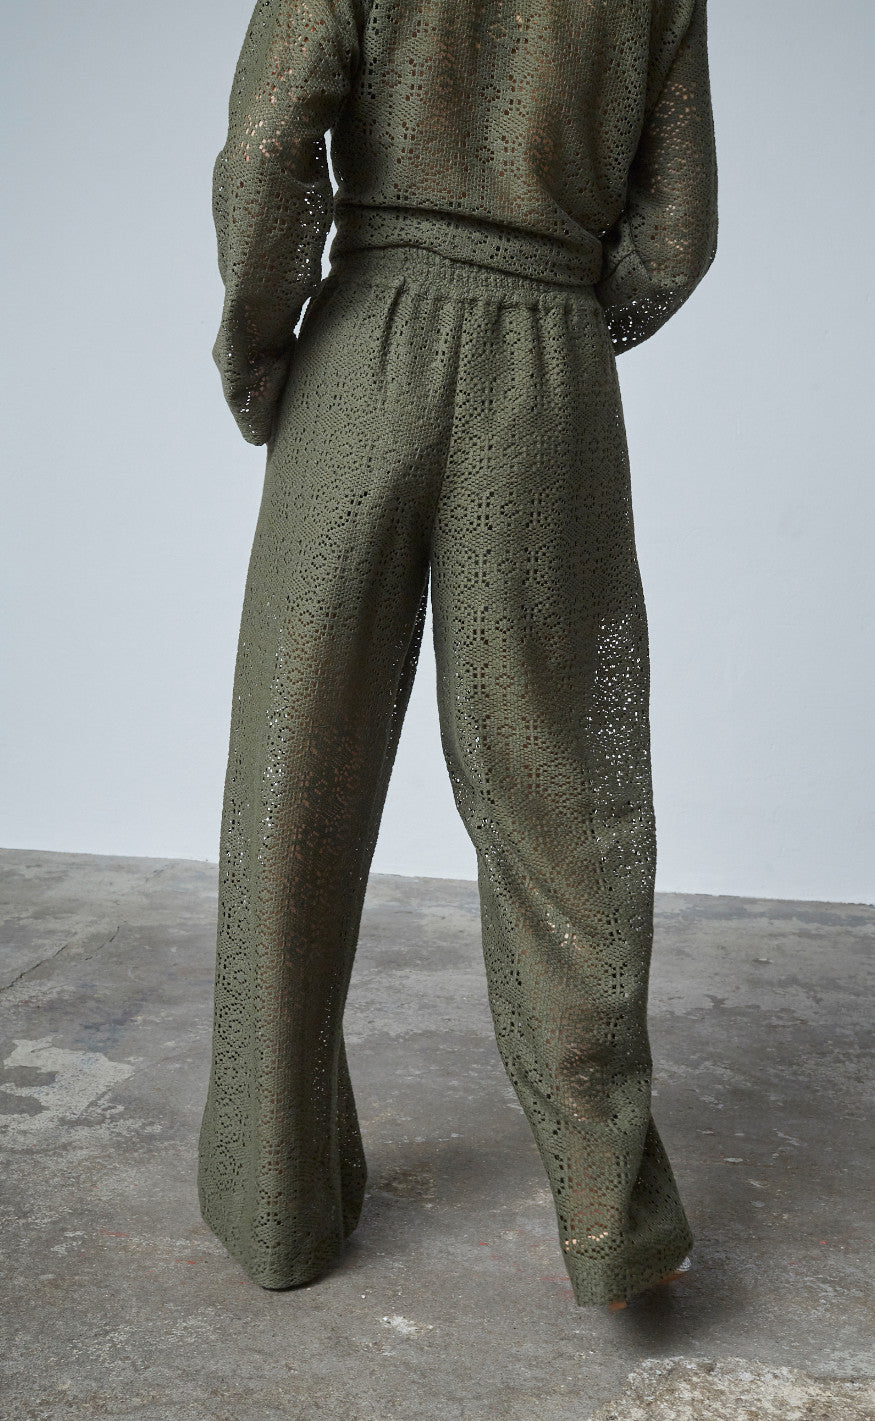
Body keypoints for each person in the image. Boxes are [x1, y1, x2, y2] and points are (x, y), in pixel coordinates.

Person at [197, 0, 719, 1310]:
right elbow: (677, 233)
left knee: (292, 780)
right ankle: (612, 1220)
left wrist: (261, 351)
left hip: (362, 351)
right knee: (568, 799)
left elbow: (268, 147)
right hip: (549, 374)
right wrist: (564, 319)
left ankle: (278, 1207)